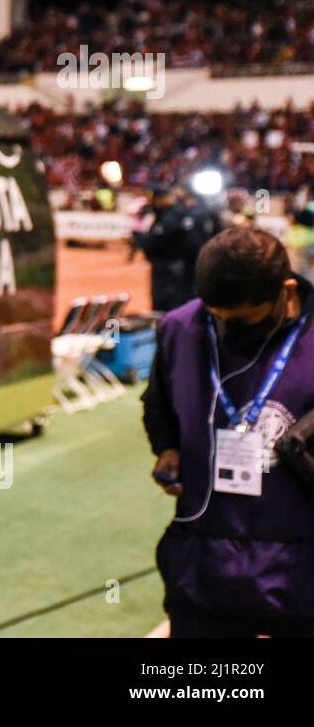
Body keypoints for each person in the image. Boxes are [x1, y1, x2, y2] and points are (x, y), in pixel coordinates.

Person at [142, 226, 314, 636]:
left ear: (285, 290)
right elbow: (159, 403)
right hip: (206, 560)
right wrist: (167, 449)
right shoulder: (180, 329)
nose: (227, 330)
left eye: (244, 320)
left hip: (301, 558)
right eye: (217, 318)